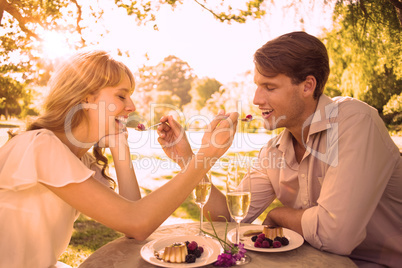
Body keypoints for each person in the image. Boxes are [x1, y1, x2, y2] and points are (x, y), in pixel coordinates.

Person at [170, 32, 402, 267]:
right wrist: (190, 159)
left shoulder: (355, 122)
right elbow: (226, 218)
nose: (256, 99)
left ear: (307, 86)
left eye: (269, 87)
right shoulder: (273, 151)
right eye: (258, 86)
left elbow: (335, 235)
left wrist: (280, 215)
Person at [0, 50, 239, 268]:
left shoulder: (79, 159)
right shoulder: (40, 146)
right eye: (121, 96)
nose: (132, 106)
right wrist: (206, 156)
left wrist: (119, 144)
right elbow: (137, 222)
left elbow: (133, 224)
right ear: (87, 98)